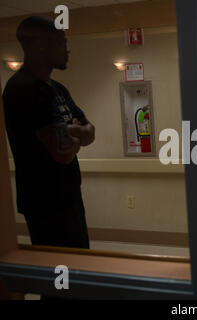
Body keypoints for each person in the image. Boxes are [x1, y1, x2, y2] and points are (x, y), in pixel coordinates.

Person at [3, 16, 95, 249]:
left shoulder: (57, 89)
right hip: (45, 203)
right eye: (61, 41)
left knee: (80, 266)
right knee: (60, 275)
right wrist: (76, 132)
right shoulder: (22, 89)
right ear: (42, 44)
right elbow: (61, 152)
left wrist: (67, 131)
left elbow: (91, 131)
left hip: (69, 196)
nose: (67, 49)